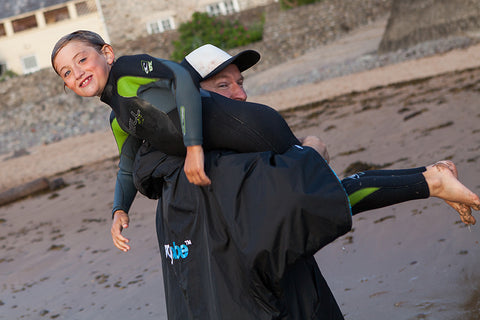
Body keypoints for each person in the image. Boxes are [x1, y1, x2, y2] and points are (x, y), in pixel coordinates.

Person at [51, 32, 480, 319]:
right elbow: (323, 193)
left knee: (312, 181)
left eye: (241, 83)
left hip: (282, 285)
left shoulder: (204, 156)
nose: (239, 94)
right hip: (255, 290)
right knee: (312, 180)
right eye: (224, 86)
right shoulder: (179, 159)